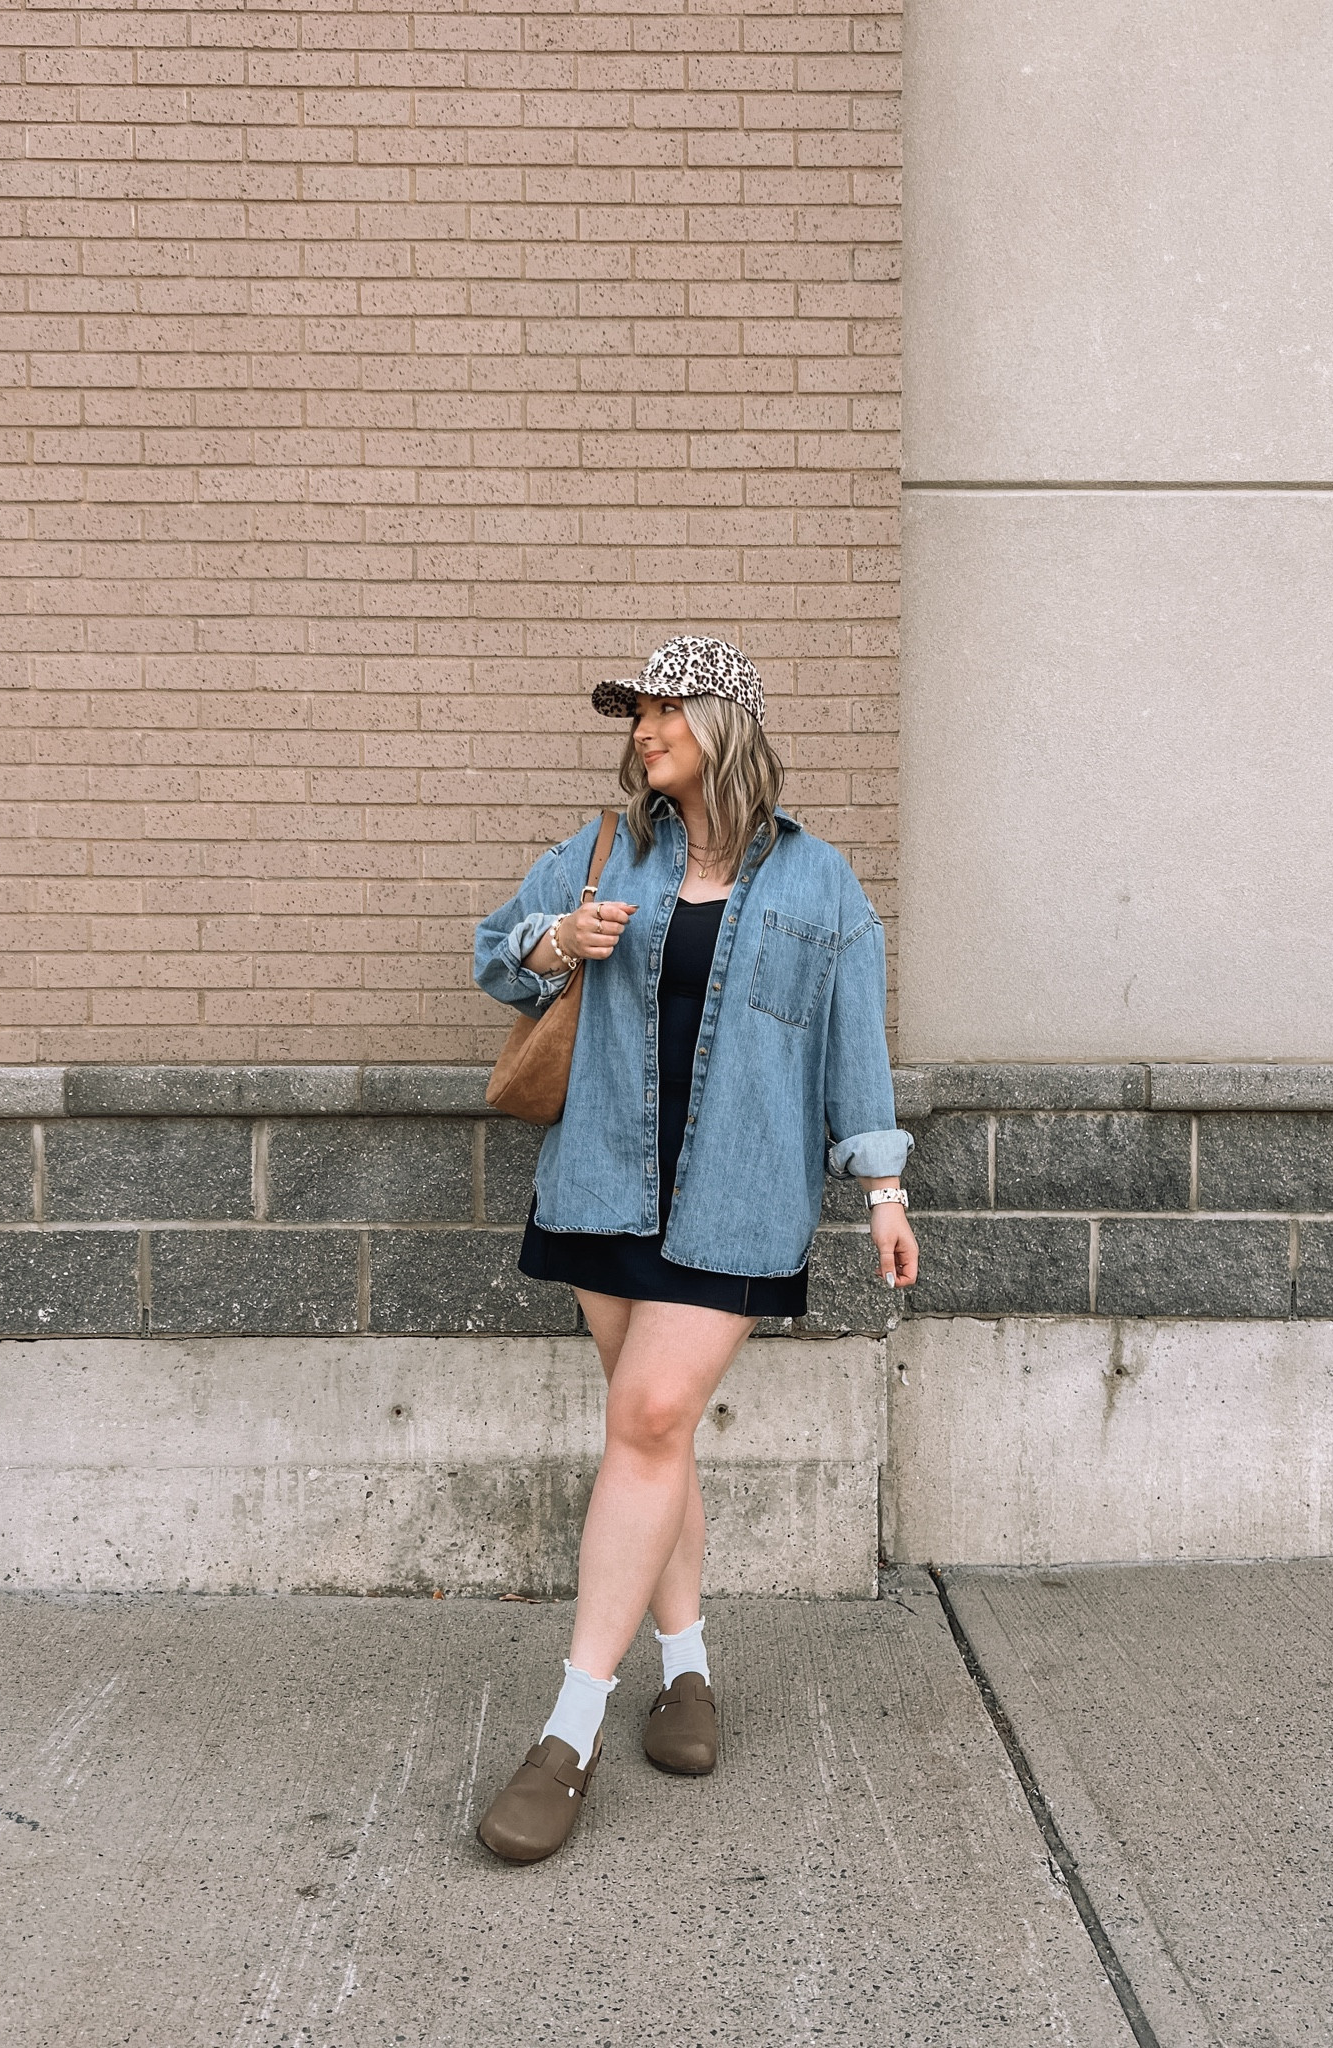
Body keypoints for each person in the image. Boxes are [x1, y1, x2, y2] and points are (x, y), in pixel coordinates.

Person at [470, 634, 918, 1863]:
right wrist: (557, 943)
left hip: (735, 1203)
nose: (644, 728)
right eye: (636, 712)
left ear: (725, 721)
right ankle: (690, 1675)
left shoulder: (821, 883)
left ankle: (566, 1735)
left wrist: (881, 1187)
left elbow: (851, 1045)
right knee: (649, 1435)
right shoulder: (604, 851)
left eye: (666, 706)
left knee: (651, 1417)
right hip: (605, 1187)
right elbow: (491, 952)